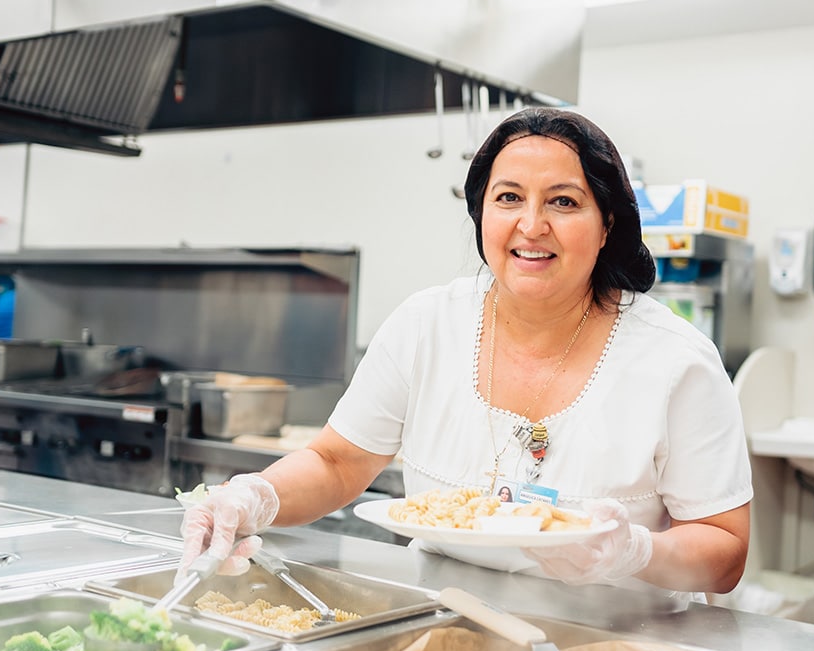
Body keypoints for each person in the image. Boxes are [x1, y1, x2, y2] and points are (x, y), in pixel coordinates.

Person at [179, 108, 752, 597]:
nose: (532, 225)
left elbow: (725, 550)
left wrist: (635, 553)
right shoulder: (426, 325)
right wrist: (255, 496)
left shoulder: (676, 362)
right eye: (509, 198)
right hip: (443, 630)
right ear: (482, 217)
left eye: (564, 201)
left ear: (607, 225)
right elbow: (336, 463)